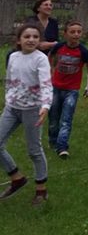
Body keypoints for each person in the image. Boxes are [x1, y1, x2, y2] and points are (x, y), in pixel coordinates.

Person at [0, 24, 52, 206]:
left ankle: (41, 190)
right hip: (12, 108)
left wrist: (45, 106)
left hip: (33, 110)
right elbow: (10, 80)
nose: (31, 40)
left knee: (34, 150)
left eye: (35, 37)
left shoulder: (40, 59)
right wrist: (8, 98)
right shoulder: (13, 57)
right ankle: (17, 178)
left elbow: (46, 84)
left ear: (40, 40)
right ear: (19, 40)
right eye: (27, 36)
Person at [47, 21, 88, 158]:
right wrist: (49, 72)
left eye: (79, 32)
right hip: (55, 88)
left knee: (66, 119)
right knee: (53, 118)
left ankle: (62, 147)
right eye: (72, 32)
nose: (76, 34)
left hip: (71, 90)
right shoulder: (58, 47)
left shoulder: (84, 51)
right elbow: (50, 58)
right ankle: (53, 141)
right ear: (65, 34)